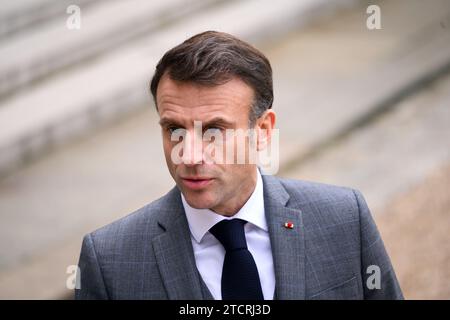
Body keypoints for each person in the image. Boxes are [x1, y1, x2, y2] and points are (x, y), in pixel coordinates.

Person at [75, 31, 403, 300]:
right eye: (174, 130)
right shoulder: (109, 261)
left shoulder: (344, 219)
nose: (188, 156)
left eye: (214, 131)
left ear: (262, 131)